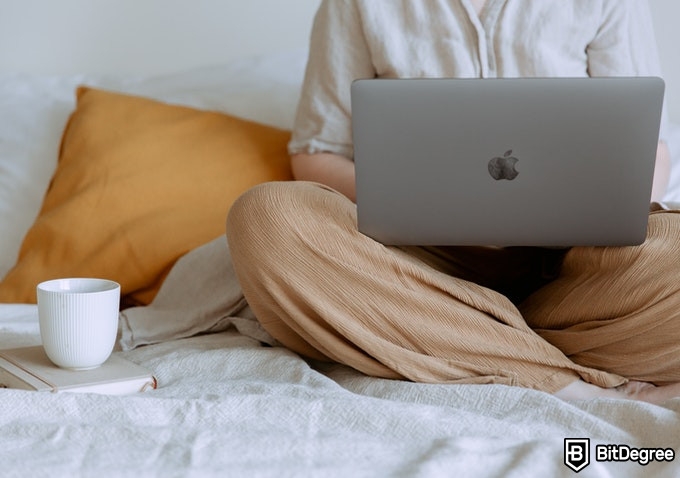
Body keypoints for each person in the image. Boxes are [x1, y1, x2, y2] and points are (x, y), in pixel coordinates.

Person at [226, 0, 680, 403]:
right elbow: (317, 151)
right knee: (267, 218)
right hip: (414, 263)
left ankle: (444, 334)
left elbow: (647, 145)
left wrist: (612, 209)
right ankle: (555, 375)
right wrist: (413, 200)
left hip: (576, 274)